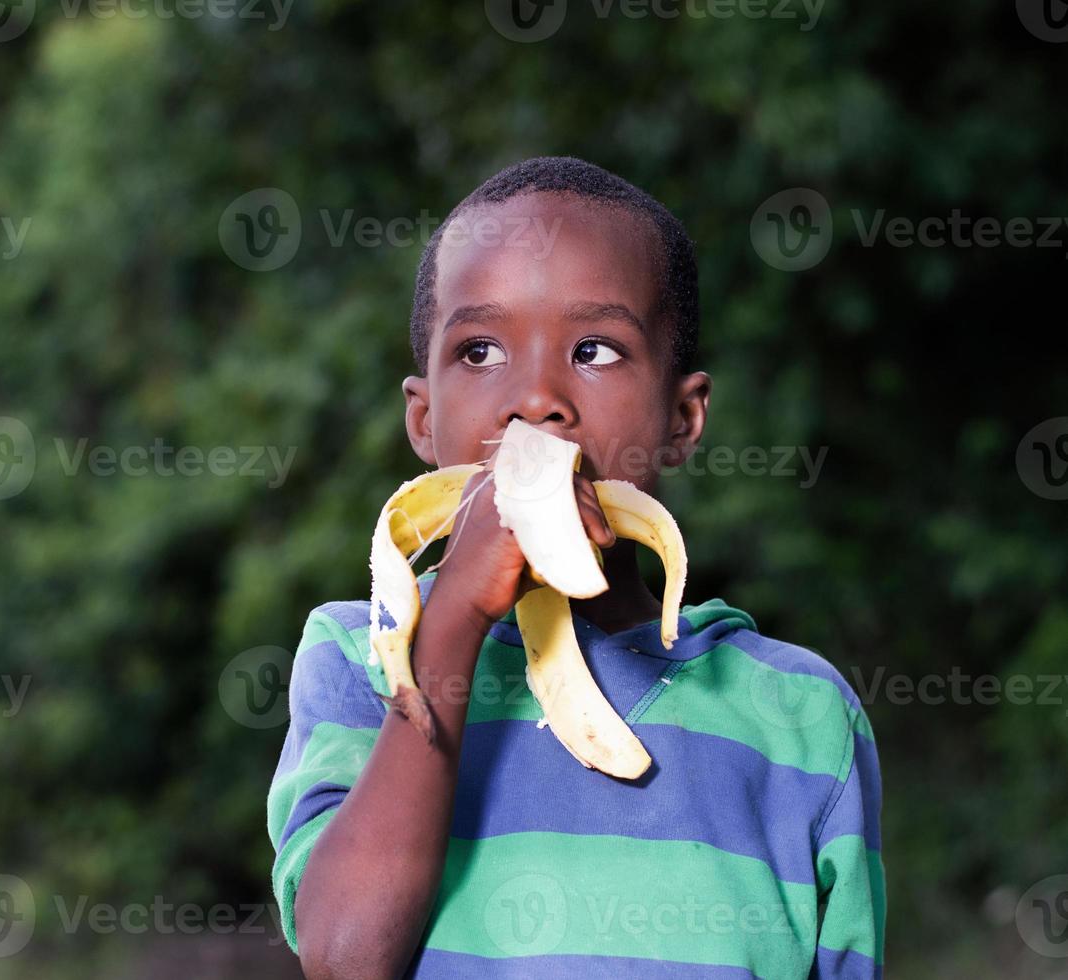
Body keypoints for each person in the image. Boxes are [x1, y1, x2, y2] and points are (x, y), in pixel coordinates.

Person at [266, 157, 885, 978]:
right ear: (423, 419)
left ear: (682, 416)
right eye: (480, 350)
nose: (536, 399)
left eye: (595, 348)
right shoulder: (359, 659)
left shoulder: (801, 718)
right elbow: (345, 959)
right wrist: (448, 622)